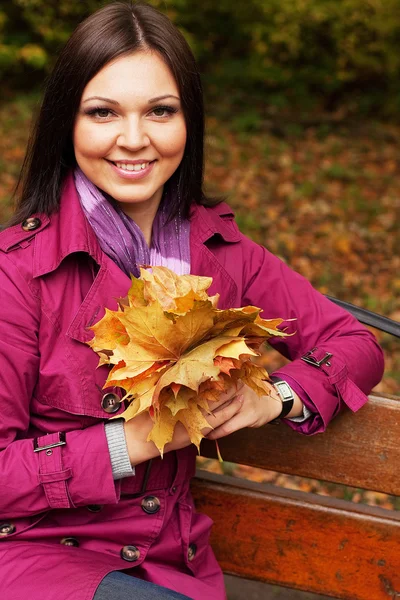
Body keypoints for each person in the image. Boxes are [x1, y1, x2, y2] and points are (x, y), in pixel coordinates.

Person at [0, 2, 384, 600]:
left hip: (168, 566)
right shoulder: (20, 272)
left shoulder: (221, 254)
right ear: (65, 124)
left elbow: (354, 343)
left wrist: (276, 397)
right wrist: (134, 441)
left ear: (189, 121)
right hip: (37, 561)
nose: (134, 139)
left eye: (160, 110)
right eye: (102, 113)